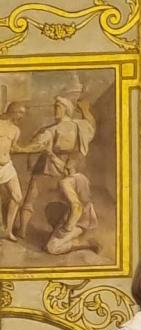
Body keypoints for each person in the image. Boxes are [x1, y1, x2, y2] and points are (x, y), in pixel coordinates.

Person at [15, 93, 96, 246]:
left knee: (70, 198)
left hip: (61, 165)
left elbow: (38, 145)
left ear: (66, 109)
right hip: (56, 164)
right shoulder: (77, 125)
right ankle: (23, 231)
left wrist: (19, 149)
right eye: (54, 106)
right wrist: (85, 110)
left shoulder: (60, 128)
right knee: (31, 195)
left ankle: (70, 230)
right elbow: (91, 124)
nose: (55, 109)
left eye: (58, 106)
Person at [0, 102, 27, 240]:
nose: (22, 116)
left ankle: (8, 231)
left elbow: (13, 148)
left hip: (7, 166)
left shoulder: (16, 130)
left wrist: (28, 149)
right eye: (20, 112)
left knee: (17, 197)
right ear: (13, 111)